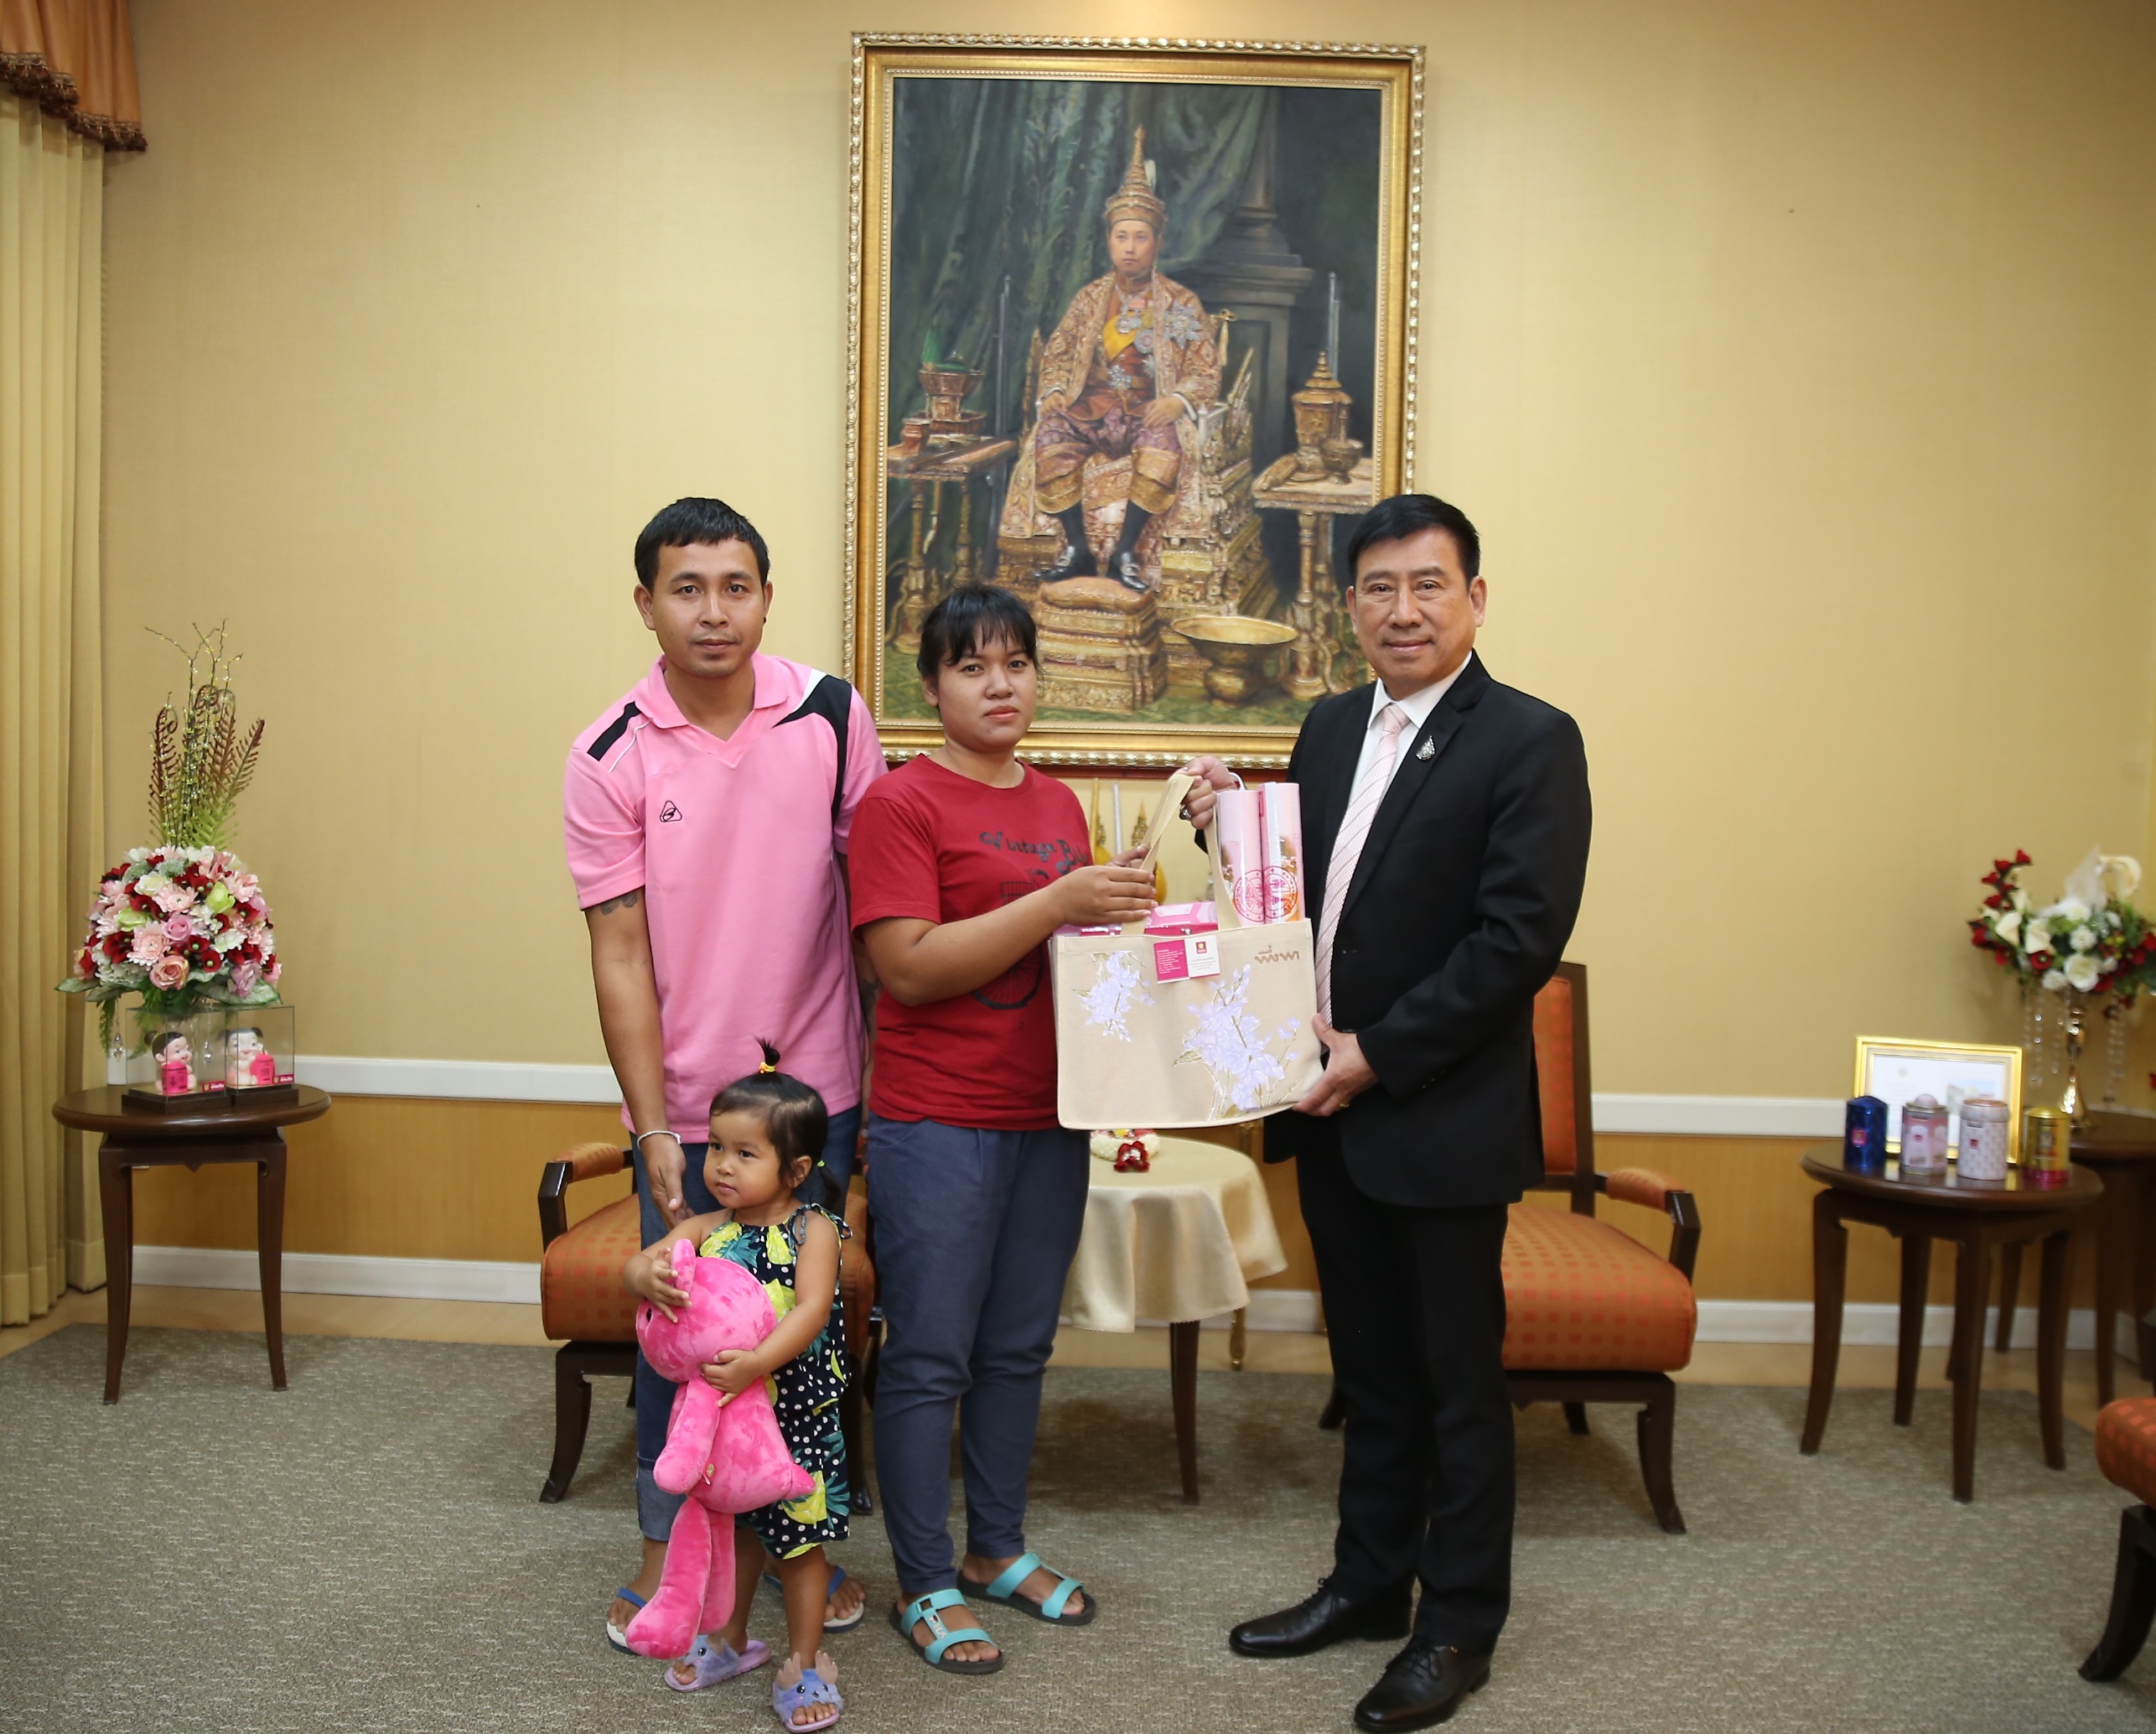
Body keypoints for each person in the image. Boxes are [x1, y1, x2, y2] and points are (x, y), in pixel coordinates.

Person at [1184, 494, 1592, 1731]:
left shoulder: (1529, 739)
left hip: (1438, 1113)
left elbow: (1515, 942)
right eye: (1379, 587)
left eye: (1428, 584)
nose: (1403, 609)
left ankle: (1457, 1624)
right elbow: (1298, 902)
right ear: (1349, 604)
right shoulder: (1326, 725)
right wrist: (1226, 823)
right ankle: (1367, 1586)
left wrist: (1377, 1054)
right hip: (1331, 1112)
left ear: (1475, 598)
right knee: (1368, 1373)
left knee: (1457, 1384)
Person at [563, 496, 878, 1652]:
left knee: (806, 1338)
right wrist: (654, 1127)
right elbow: (618, 954)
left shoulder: (832, 714)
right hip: (694, 1108)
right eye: (686, 588)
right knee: (684, 1338)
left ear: (765, 598)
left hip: (819, 1096)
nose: (713, 612)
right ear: (645, 603)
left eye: (735, 587)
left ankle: (802, 1553)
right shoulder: (609, 752)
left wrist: (885, 1093)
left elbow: (873, 909)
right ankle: (665, 1556)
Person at [847, 583, 1157, 1672]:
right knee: (929, 1354)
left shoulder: (1060, 805)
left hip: (1049, 1117)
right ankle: (924, 1581)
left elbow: (1073, 963)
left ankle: (996, 1550)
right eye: (972, 666)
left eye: (1016, 663)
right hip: (938, 1116)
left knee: (1019, 1349)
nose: (999, 685)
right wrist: (1060, 903)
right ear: (931, 686)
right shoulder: (898, 804)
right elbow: (907, 968)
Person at [622, 1041, 852, 1728]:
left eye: (745, 1153)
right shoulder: (706, 1229)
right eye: (717, 1146)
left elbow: (811, 1311)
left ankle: (804, 1667)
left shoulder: (814, 1230)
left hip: (797, 1418)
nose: (721, 1164)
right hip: (726, 1424)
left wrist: (756, 1364)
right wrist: (645, 1276)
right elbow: (639, 1265)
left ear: (797, 1169)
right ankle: (730, 1638)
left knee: (799, 1545)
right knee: (737, 1533)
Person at [1031, 125, 1220, 594]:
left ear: (1157, 243)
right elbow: (1059, 352)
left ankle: (1125, 553)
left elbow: (1205, 368)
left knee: (1163, 448)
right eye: (1122, 237)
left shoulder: (1179, 302)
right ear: (1109, 242)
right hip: (1091, 408)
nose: (1130, 247)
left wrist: (1177, 401)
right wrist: (1055, 390)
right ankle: (1077, 550)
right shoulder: (1089, 299)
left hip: (1146, 412)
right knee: (1051, 434)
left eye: (1140, 237)